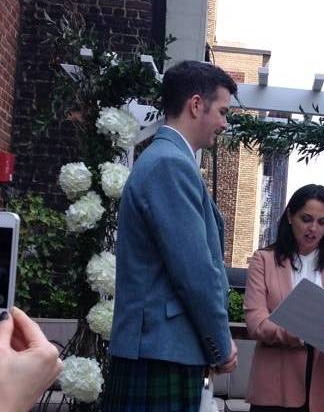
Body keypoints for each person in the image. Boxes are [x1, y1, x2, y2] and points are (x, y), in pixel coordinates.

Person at [103, 61, 238, 411]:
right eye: (222, 111)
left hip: (159, 352)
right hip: (159, 354)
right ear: (196, 105)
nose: (225, 123)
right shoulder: (169, 164)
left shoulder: (167, 159)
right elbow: (196, 274)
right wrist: (221, 346)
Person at [244, 184, 324, 412]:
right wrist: (299, 331)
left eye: (322, 222)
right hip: (275, 388)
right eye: (306, 219)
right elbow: (256, 322)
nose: (313, 229)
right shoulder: (264, 261)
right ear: (290, 216)